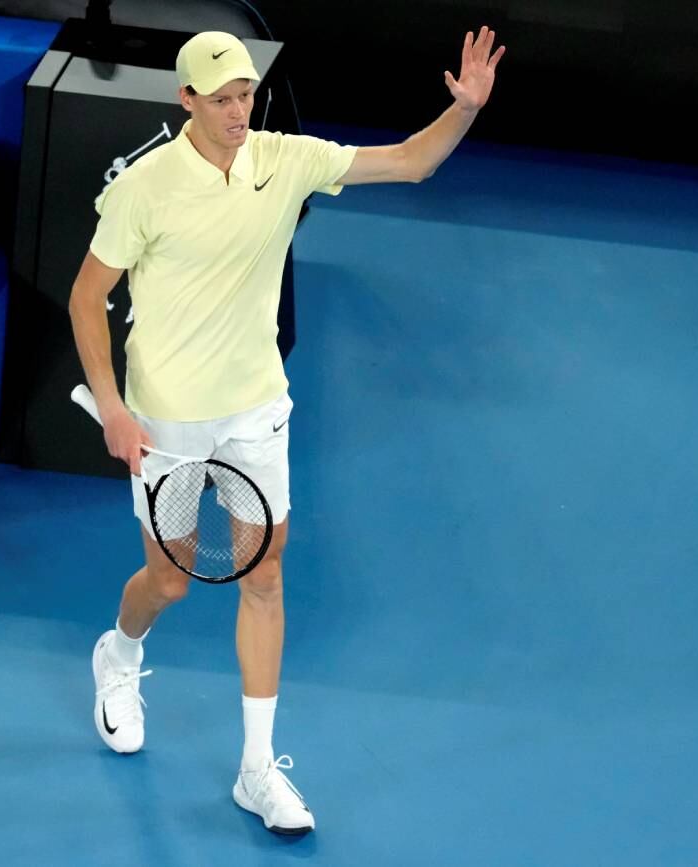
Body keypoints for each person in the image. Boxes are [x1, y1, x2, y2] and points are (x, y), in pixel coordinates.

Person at [69, 26, 505, 835]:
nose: (240, 112)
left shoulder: (286, 158)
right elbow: (85, 297)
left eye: (247, 96)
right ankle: (119, 655)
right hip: (166, 414)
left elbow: (409, 159)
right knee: (166, 579)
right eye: (224, 99)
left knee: (263, 576)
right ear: (187, 100)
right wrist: (115, 405)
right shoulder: (145, 187)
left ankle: (256, 769)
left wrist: (464, 110)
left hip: (256, 405)